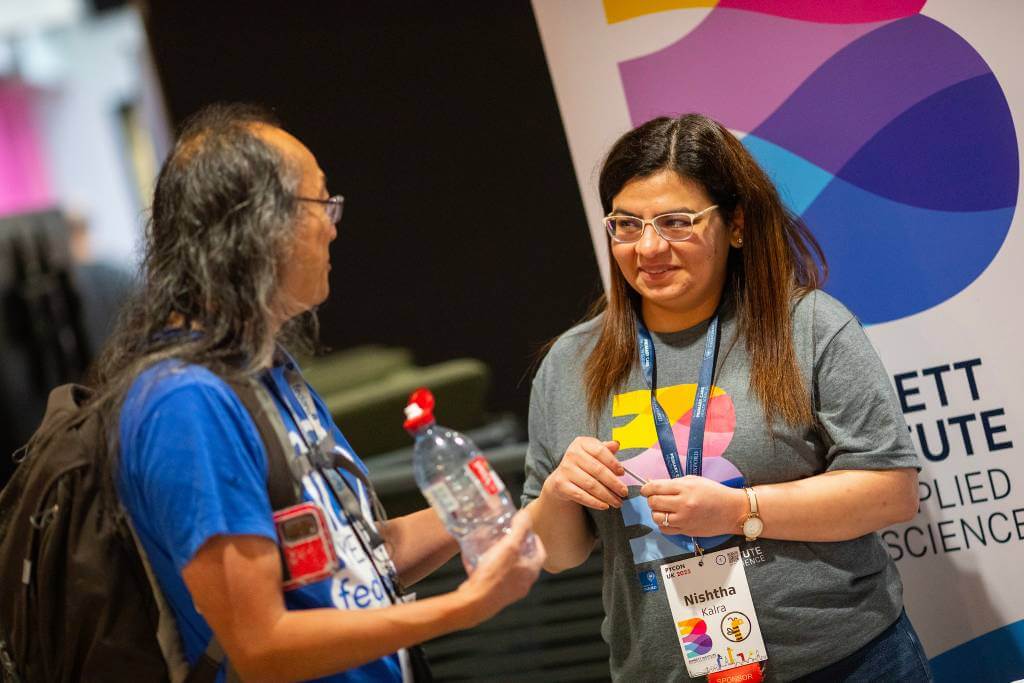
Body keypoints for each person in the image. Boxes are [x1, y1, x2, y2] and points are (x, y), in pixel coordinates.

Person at [81, 103, 544, 681]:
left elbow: (360, 561)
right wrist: (462, 607)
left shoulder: (266, 370)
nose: (332, 224)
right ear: (256, 226)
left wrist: (513, 505)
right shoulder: (185, 403)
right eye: (320, 202)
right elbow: (261, 644)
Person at [523, 113, 931, 681]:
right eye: (626, 224)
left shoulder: (808, 326)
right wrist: (559, 493)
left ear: (735, 223)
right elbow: (556, 553)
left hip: (846, 661)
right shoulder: (570, 363)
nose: (649, 247)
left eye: (676, 222)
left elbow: (891, 493)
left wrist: (741, 510)